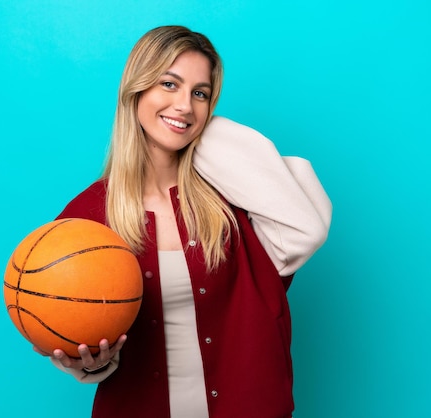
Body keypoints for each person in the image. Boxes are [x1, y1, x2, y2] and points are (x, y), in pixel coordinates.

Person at [35, 25, 332, 418]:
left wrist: (209, 133)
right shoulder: (89, 217)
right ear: (135, 90)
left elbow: (306, 227)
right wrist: (91, 363)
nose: (185, 106)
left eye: (200, 93)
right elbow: (61, 318)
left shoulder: (235, 203)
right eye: (169, 84)